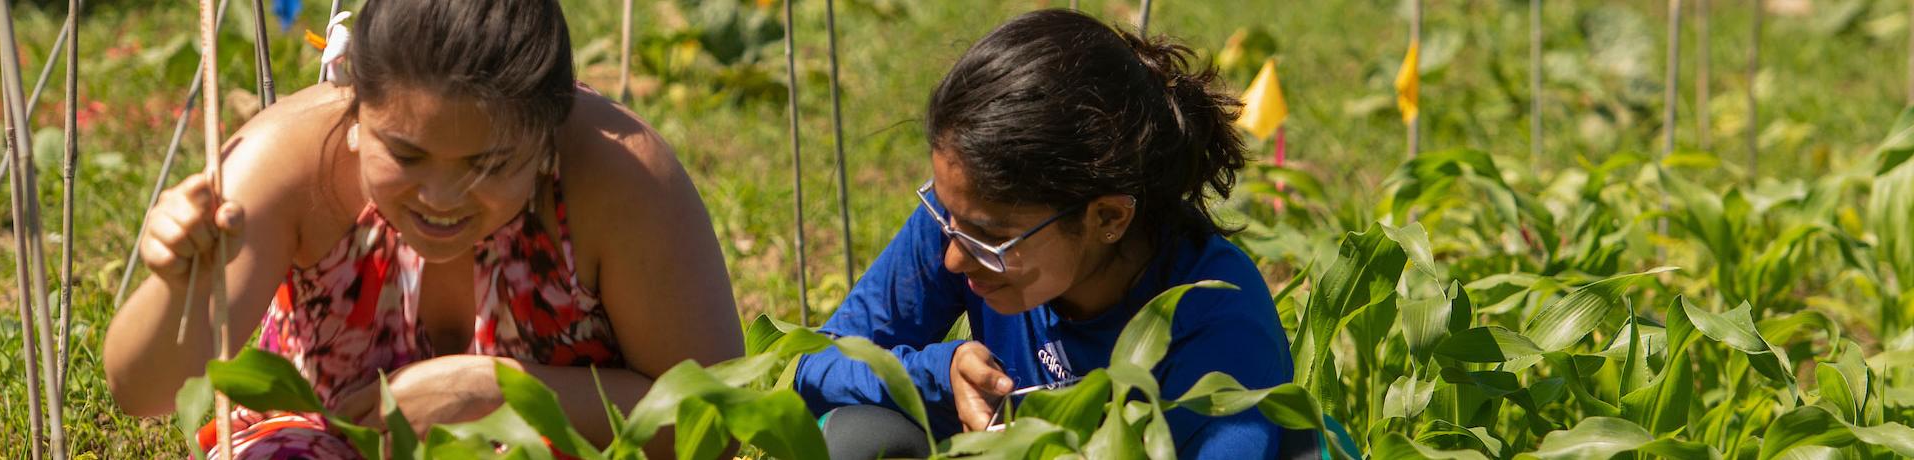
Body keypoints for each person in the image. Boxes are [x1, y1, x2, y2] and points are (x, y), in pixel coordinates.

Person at [101, 0, 743, 457]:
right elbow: (147, 394)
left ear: (548, 137)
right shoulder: (288, 162)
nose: (440, 197)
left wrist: (495, 391)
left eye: (488, 164)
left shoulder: (619, 177)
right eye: (405, 156)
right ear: (355, 111)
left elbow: (711, 420)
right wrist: (173, 283)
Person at [795, 9, 1295, 460]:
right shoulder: (965, 223)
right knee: (855, 437)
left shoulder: (1217, 319)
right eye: (945, 214)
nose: (952, 258)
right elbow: (805, 365)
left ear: (1108, 220)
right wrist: (936, 376)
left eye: (991, 236)